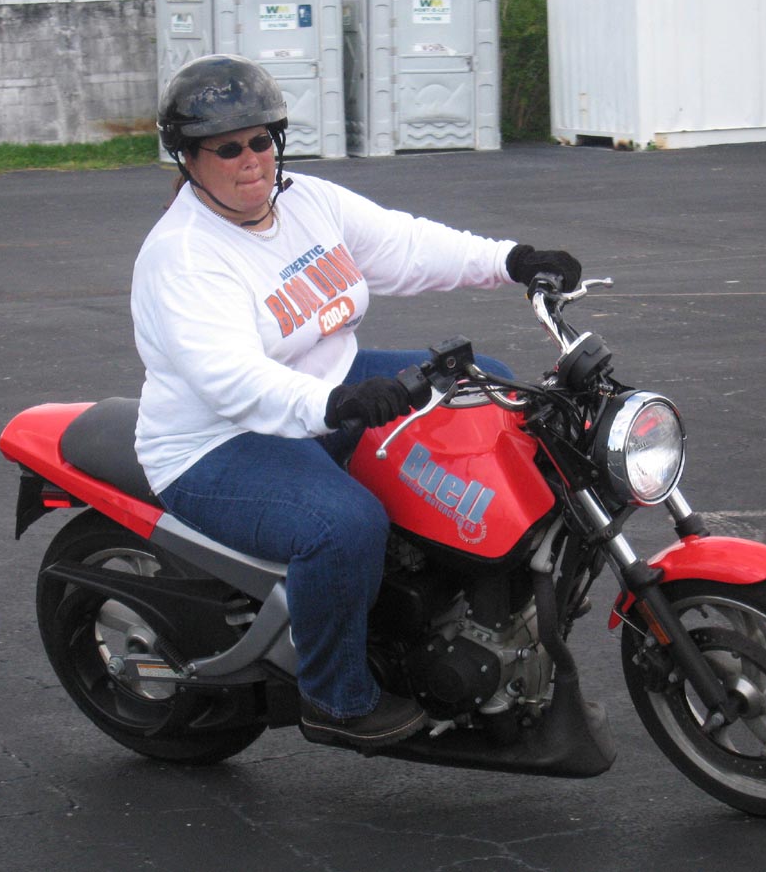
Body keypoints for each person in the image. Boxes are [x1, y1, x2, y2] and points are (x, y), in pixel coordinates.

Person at [131, 54, 581, 750]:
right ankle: (334, 696)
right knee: (342, 525)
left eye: (260, 140)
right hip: (216, 441)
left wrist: (511, 260)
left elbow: (405, 244)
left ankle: (462, 597)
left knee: (485, 389)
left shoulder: (305, 202)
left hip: (326, 393)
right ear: (188, 158)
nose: (250, 160)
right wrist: (338, 402)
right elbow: (232, 381)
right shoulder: (184, 255)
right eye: (227, 148)